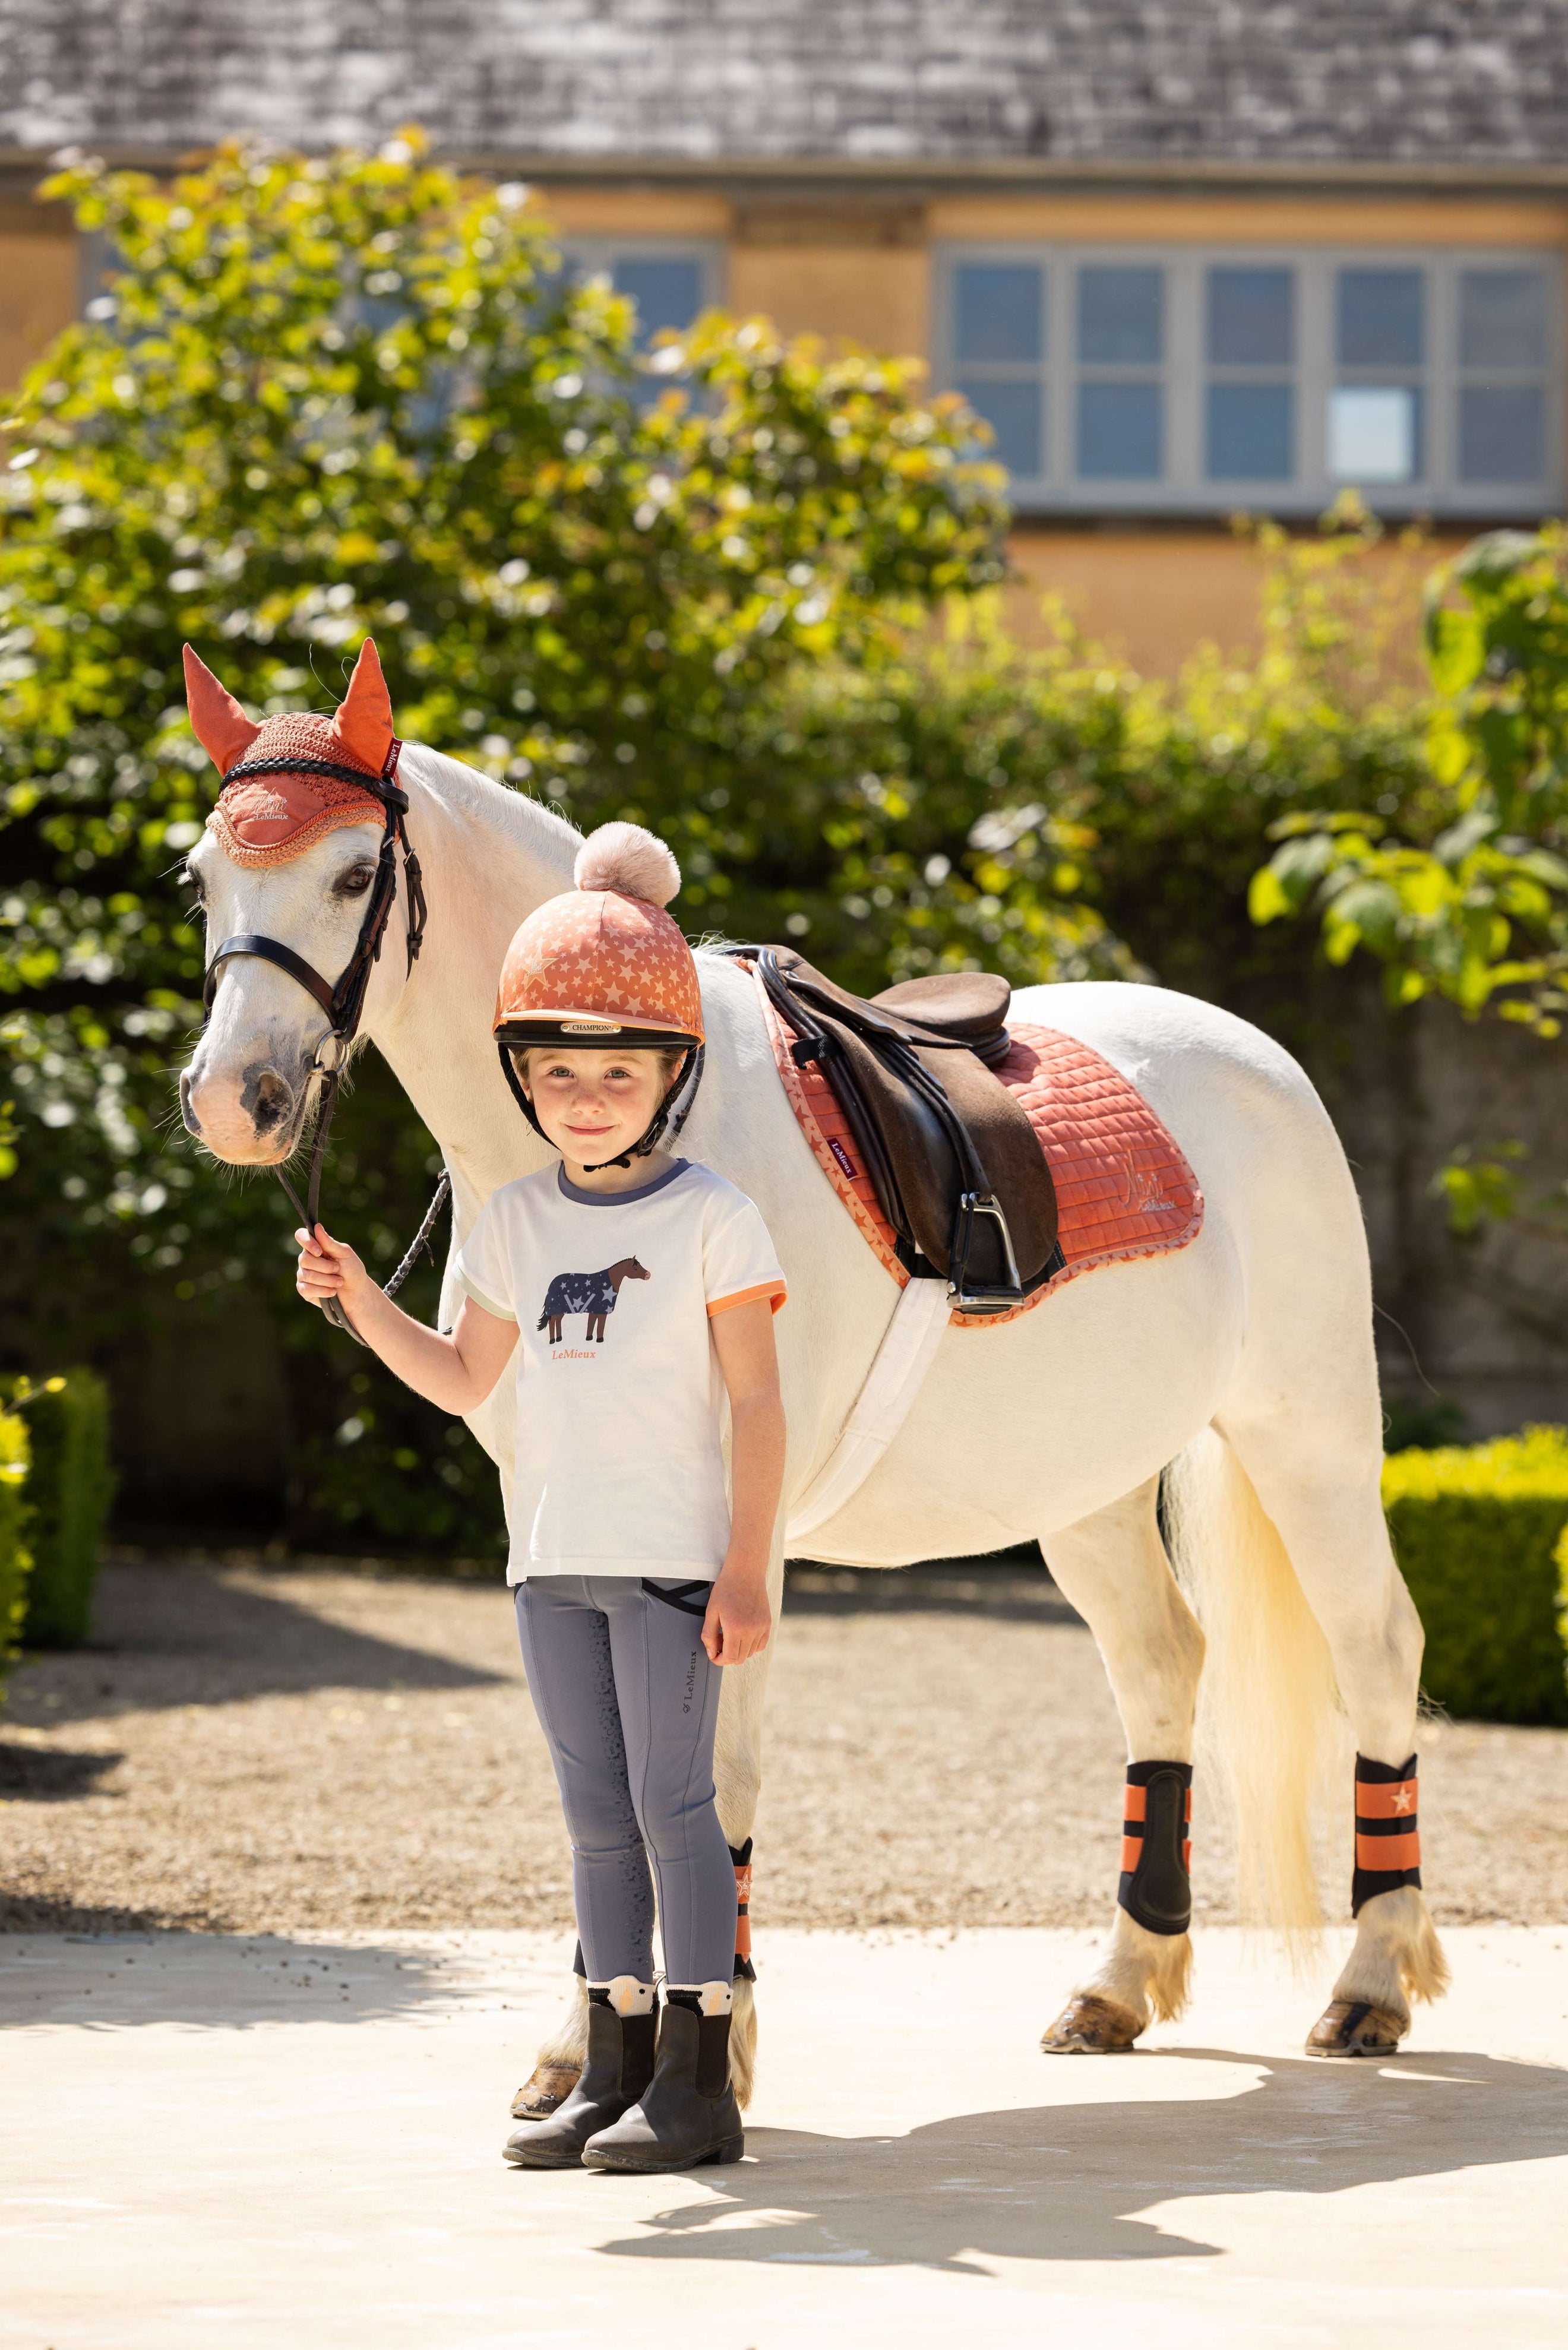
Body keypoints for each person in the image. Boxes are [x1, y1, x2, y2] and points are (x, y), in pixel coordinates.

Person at [293, 822, 786, 2174]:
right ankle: (614, 2060)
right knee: (593, 1816)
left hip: (675, 1566)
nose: (584, 1095)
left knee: (676, 1809)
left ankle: (700, 2078)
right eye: (557, 1072)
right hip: (550, 1564)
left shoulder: (716, 1220)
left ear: (668, 1076)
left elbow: (758, 1402)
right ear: (523, 1077)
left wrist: (747, 1568)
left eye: (615, 1073)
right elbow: (463, 1381)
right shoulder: (511, 1222)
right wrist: (360, 1302)